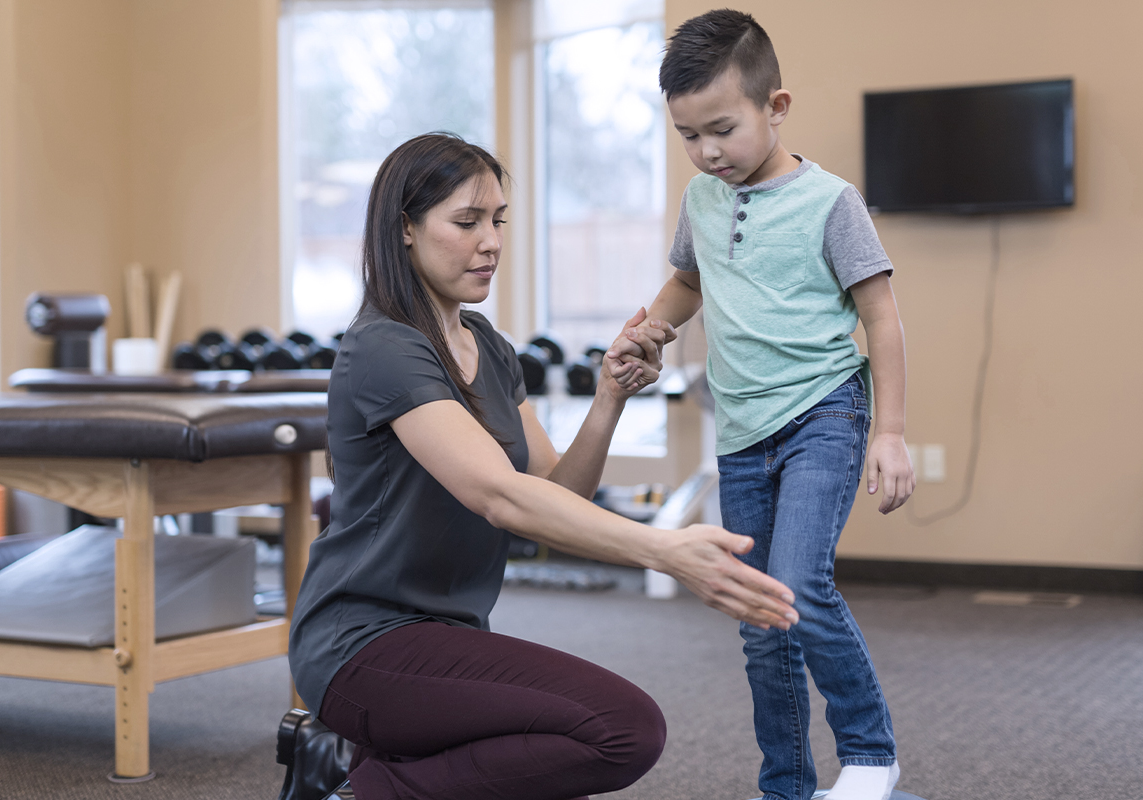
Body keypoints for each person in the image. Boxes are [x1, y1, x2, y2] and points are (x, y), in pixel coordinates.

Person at [287, 132, 801, 800]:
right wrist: (666, 551)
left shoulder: (490, 349)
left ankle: (349, 768)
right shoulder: (385, 346)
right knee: (620, 730)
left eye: (498, 220)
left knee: (551, 768)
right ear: (405, 230)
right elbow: (499, 496)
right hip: (361, 644)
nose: (491, 241)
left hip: (447, 635)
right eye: (466, 221)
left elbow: (557, 498)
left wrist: (609, 396)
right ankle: (357, 791)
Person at [607, 10, 916, 800]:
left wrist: (891, 433)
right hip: (742, 433)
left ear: (776, 107)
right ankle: (786, 784)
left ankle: (872, 754)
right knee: (758, 620)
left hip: (825, 412)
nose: (707, 152)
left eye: (722, 129)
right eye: (688, 136)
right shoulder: (703, 200)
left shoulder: (831, 202)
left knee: (798, 584)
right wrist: (655, 330)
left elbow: (881, 317)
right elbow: (688, 279)